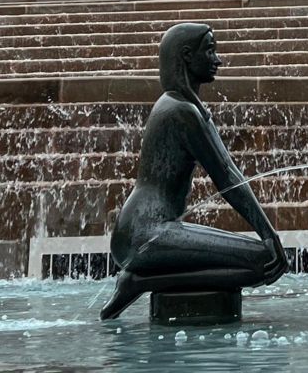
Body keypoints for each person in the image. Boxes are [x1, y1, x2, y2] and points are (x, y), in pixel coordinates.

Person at [99, 23, 286, 319]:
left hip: (147, 231)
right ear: (187, 56)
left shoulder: (183, 106)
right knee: (264, 261)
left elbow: (229, 171)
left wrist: (267, 232)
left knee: (261, 259)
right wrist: (269, 234)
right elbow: (227, 176)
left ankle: (138, 280)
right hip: (144, 235)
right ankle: (139, 281)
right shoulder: (180, 111)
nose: (218, 59)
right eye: (210, 50)